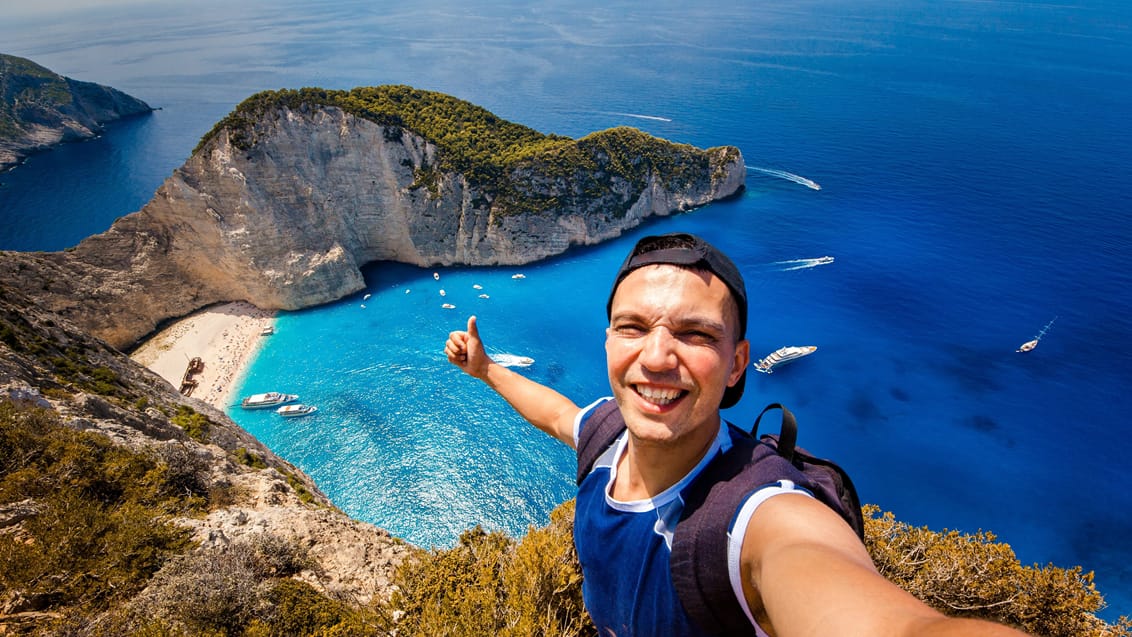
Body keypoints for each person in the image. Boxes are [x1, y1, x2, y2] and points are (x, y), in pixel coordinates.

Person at [445, 232, 1029, 636]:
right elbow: (555, 413)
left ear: (737, 364)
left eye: (695, 335)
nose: (655, 356)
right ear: (608, 343)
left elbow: (860, 603)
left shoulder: (753, 517)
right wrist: (488, 370)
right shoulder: (606, 432)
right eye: (632, 327)